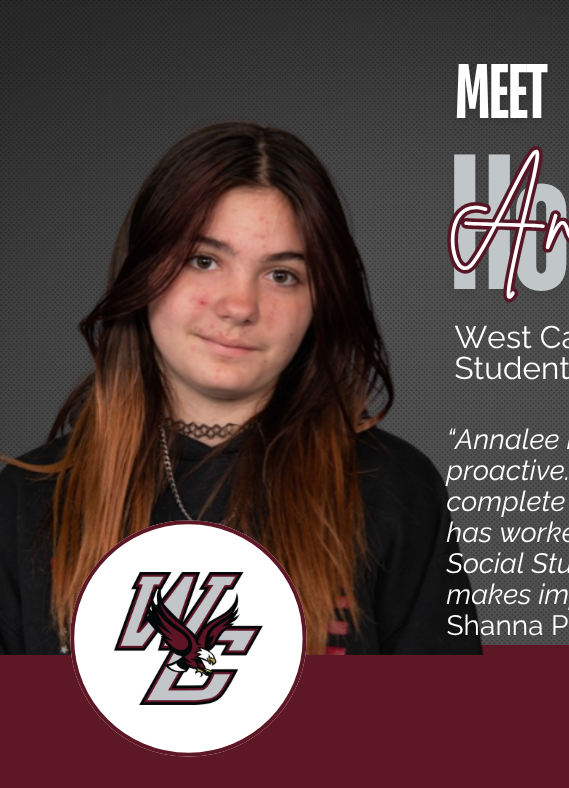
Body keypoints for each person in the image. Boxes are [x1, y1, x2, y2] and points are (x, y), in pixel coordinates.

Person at [0, 122, 481, 655]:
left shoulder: (393, 489)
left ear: (320, 302)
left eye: (282, 275)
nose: (240, 306)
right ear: (144, 271)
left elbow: (449, 730)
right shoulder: (26, 500)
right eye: (203, 261)